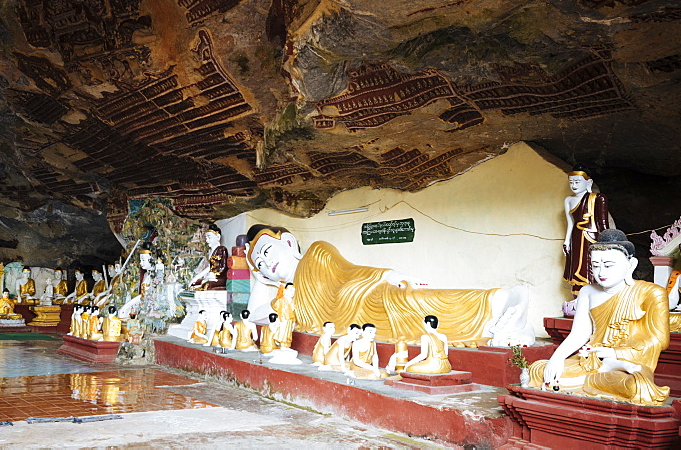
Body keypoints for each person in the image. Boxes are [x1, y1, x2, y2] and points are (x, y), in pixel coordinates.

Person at [246, 224, 532, 346]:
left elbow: (351, 271)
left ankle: (502, 299)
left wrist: (388, 275)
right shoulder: (287, 297)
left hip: (371, 295)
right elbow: (253, 316)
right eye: (259, 265)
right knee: (419, 321)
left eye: (267, 252)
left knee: (418, 300)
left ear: (287, 242)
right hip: (358, 323)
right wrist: (257, 279)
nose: (265, 264)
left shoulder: (316, 252)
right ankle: (498, 317)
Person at [529, 229, 670, 406]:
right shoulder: (587, 291)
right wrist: (556, 359)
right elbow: (579, 334)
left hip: (630, 361)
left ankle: (594, 374)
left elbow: (659, 340)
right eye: (595, 266)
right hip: (592, 359)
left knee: (637, 386)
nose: (601, 272)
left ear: (630, 265)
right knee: (538, 371)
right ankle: (592, 376)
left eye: (609, 265)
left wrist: (614, 353)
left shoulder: (652, 293)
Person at [563, 171, 611, 296]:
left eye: (577, 182)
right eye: (571, 182)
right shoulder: (568, 200)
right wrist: (566, 241)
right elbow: (570, 223)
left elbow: (604, 224)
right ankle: (577, 297)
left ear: (588, 182)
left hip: (593, 238)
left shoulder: (598, 198)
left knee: (593, 265)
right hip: (577, 237)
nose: (574, 185)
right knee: (576, 267)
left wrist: (607, 243)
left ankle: (595, 294)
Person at [188, 226, 228, 290]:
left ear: (218, 237)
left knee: (207, 285)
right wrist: (196, 278)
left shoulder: (221, 249)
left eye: (209, 237)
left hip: (219, 278)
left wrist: (215, 275)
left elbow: (224, 266)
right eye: (206, 238)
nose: (207, 240)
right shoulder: (210, 252)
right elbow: (209, 267)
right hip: (210, 276)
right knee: (194, 284)